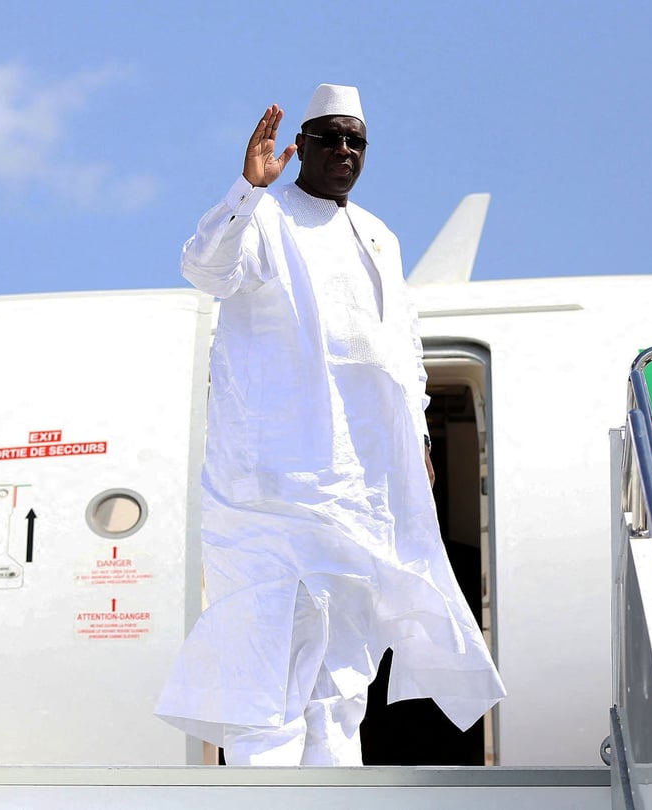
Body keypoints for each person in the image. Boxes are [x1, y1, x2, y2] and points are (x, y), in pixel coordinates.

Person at [155, 84, 505, 766]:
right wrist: (245, 188)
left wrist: (419, 437)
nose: (344, 151)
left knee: (343, 676)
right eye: (330, 139)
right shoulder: (265, 216)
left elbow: (400, 344)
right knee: (264, 662)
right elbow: (204, 269)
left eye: (356, 141)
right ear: (301, 147)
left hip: (360, 486)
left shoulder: (378, 235)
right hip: (271, 484)